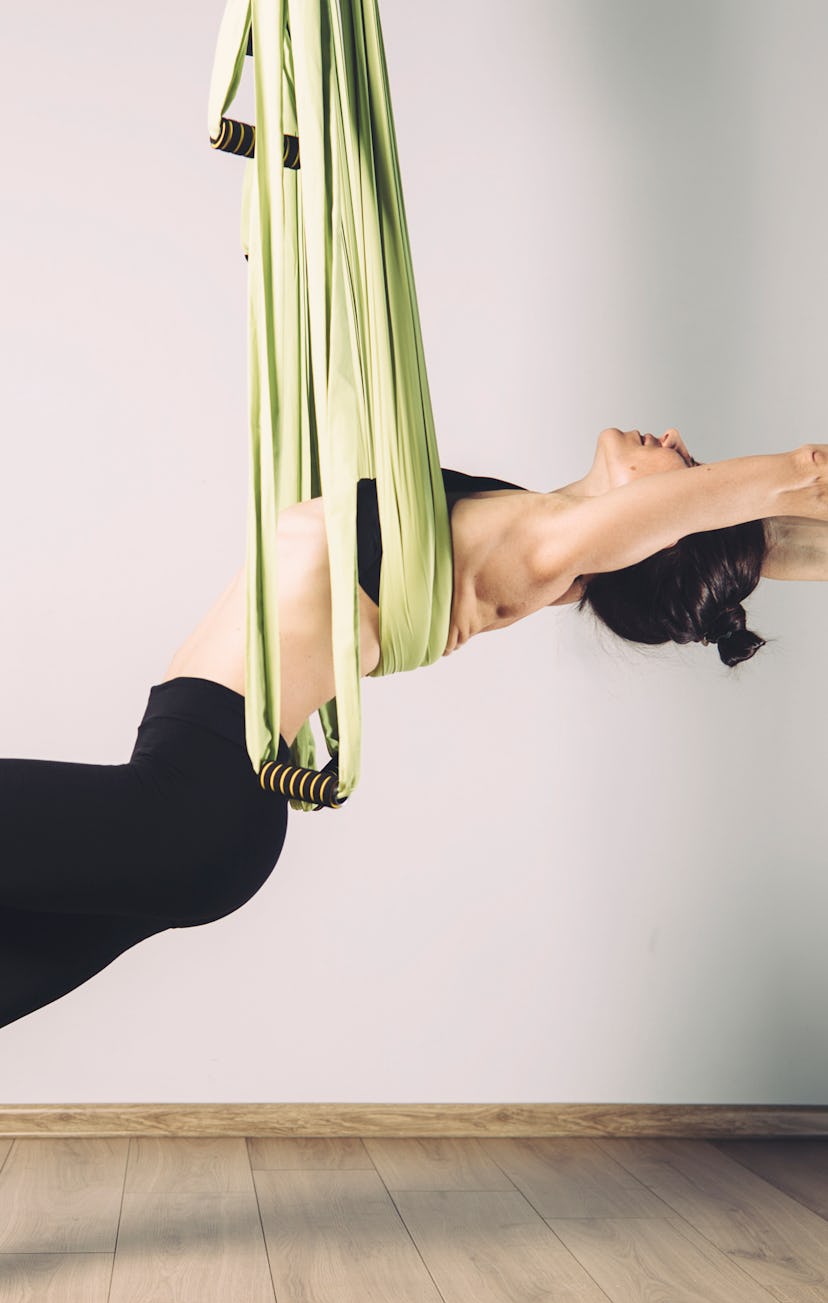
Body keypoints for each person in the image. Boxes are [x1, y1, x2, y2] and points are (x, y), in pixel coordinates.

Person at [0, 429, 823, 1028]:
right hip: (199, 803)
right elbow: (771, 532)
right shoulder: (512, 514)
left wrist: (734, 493)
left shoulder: (542, 553)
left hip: (195, 804)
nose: (678, 440)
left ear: (664, 525)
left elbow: (796, 481)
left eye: (692, 466)